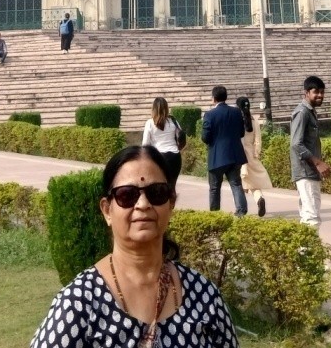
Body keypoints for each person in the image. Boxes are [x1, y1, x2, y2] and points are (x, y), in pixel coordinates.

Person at [29, 145, 237, 348]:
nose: (143, 204)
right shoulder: (79, 303)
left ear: (171, 203)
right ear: (107, 210)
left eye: (156, 192)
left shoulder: (203, 295)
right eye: (127, 195)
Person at [290, 75, 330, 228]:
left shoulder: (310, 111)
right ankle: (308, 252)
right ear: (306, 93)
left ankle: (304, 251)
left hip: (309, 171)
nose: (320, 95)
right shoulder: (302, 113)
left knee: (308, 214)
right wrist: (318, 162)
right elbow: (296, 144)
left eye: (322, 92)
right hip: (306, 171)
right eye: (316, 92)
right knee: (312, 216)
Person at [201, 85, 248, 216]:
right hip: (234, 154)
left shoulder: (209, 115)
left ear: (213, 98)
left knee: (215, 188)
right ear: (225, 97)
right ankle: (241, 211)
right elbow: (241, 133)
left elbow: (205, 137)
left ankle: (215, 215)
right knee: (236, 184)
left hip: (217, 156)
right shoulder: (236, 112)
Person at [237, 96, 273, 217]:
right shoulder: (253, 120)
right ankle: (259, 198)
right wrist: (256, 153)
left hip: (239, 154)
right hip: (251, 154)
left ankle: (240, 209)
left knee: (238, 183)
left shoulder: (236, 120)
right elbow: (258, 139)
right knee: (252, 183)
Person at [141, 97, 185, 185]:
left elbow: (145, 144)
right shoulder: (173, 121)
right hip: (175, 156)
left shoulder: (150, 123)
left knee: (160, 186)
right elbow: (180, 135)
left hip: (159, 156)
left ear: (153, 109)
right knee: (172, 186)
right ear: (166, 108)